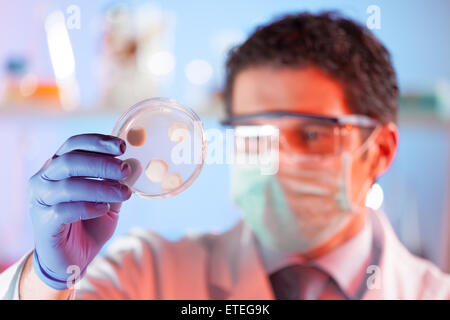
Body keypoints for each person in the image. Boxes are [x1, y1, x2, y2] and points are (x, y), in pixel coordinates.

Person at [1, 12, 449, 300]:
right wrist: (49, 280)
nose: (276, 159)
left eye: (312, 134)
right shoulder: (147, 273)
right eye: (255, 134)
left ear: (380, 150)